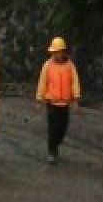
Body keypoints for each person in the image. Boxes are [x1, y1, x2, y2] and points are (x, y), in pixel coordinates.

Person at [35, 36, 81, 165]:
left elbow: (75, 82)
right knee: (53, 129)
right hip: (52, 103)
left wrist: (76, 99)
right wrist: (39, 99)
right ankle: (52, 152)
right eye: (53, 52)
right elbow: (42, 82)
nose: (55, 54)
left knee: (62, 129)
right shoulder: (47, 65)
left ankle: (55, 144)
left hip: (65, 104)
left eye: (57, 52)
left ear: (63, 51)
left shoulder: (70, 66)